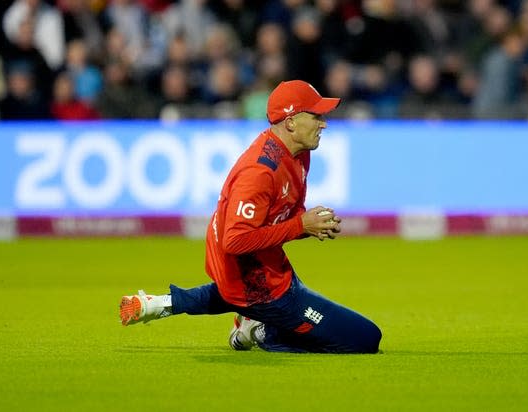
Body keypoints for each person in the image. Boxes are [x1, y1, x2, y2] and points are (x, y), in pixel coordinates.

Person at [119, 80, 382, 354]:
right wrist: (300, 225)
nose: (324, 123)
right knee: (364, 339)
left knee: (239, 295)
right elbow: (234, 241)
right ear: (291, 122)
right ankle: (262, 330)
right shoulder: (259, 172)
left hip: (267, 271)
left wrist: (310, 226)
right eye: (315, 116)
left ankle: (163, 304)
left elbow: (284, 217)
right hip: (258, 286)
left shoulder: (298, 154)